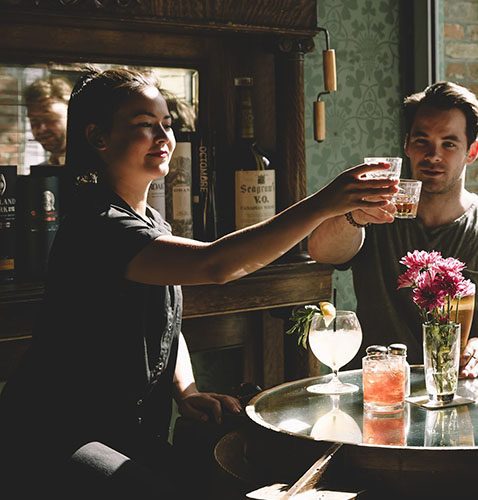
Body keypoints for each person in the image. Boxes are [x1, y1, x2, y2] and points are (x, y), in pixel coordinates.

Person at [0, 68, 397, 499]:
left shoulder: (149, 221)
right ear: (98, 137)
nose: (163, 137)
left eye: (166, 125)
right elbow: (216, 265)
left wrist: (185, 390)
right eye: (144, 126)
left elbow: (168, 320)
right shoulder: (98, 225)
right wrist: (322, 204)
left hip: (126, 433)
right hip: (56, 434)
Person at [309, 81, 478, 378]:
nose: (433, 156)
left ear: (472, 151)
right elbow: (320, 251)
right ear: (406, 144)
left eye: (449, 143)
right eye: (422, 141)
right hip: (379, 390)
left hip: (461, 390)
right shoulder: (373, 214)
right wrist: (355, 215)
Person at [24, 76, 73, 165]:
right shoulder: (40, 172)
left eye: (49, 118)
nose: (40, 128)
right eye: (34, 121)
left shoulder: (96, 168)